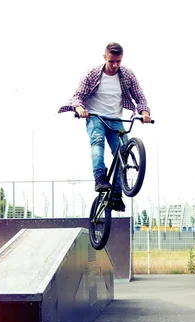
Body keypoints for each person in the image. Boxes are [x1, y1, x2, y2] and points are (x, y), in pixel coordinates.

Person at [58, 42, 152, 212]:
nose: (115, 65)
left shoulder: (128, 75)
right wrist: (80, 109)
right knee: (97, 141)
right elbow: (78, 96)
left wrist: (144, 112)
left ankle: (116, 194)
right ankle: (100, 177)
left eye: (118, 61)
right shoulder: (93, 74)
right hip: (95, 117)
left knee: (122, 152)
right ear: (104, 58)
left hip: (116, 119)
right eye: (111, 61)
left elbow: (140, 97)